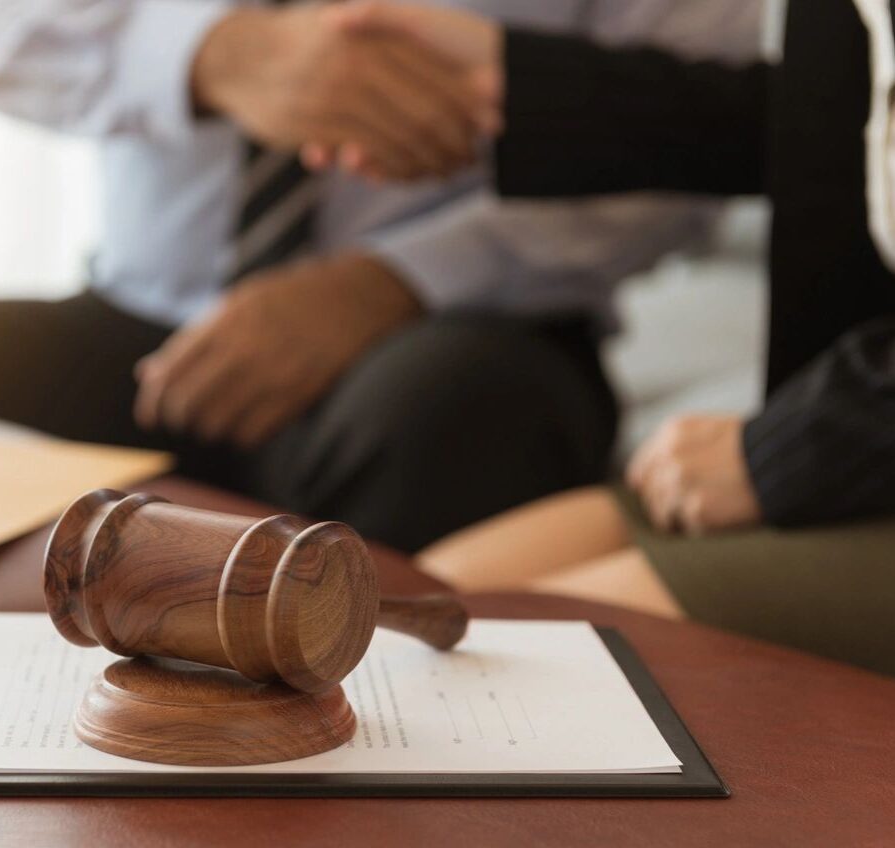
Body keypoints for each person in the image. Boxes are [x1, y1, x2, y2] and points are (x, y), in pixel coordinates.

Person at [0, 0, 758, 552]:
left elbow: (710, 144)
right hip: (143, 323)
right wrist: (215, 52)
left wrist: (394, 278)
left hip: (472, 326)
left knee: (453, 416)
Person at [324, 1, 895, 674]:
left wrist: (789, 451)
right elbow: (829, 122)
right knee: (415, 604)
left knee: (486, 659)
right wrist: (511, 77)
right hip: (862, 437)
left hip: (860, 430)